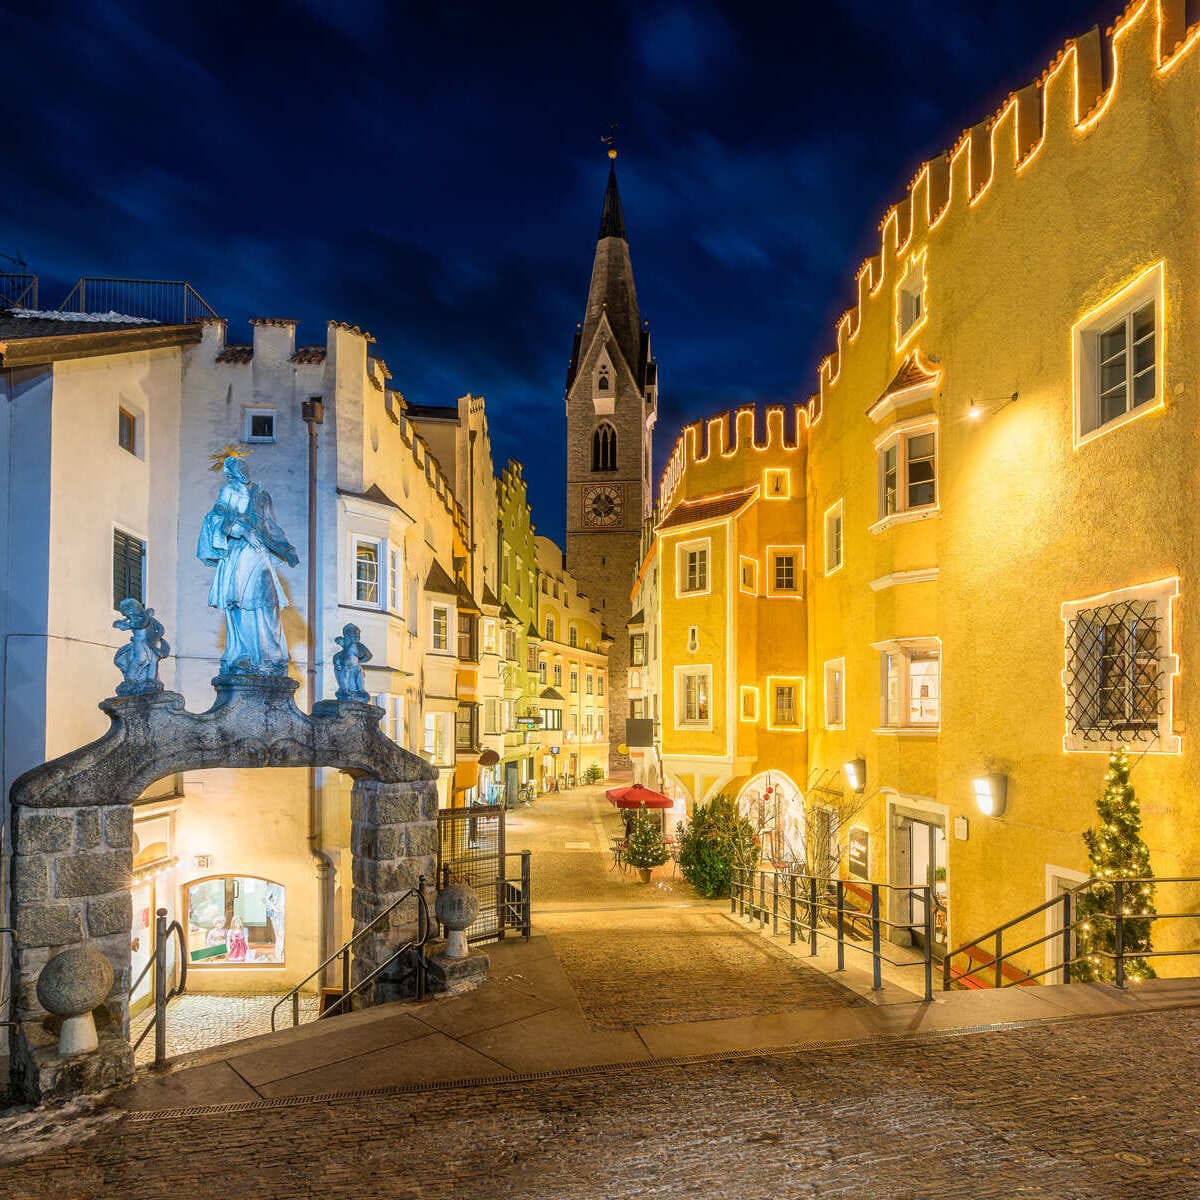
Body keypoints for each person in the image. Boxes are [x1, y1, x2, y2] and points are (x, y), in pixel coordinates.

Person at [197, 454, 299, 675]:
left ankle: (271, 656)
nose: (232, 477)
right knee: (240, 605)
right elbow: (214, 519)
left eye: (235, 472)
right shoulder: (228, 491)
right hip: (238, 555)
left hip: (259, 555)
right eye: (230, 474)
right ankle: (243, 655)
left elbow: (270, 526)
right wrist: (238, 529)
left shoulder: (262, 496)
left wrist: (287, 550)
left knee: (267, 603)